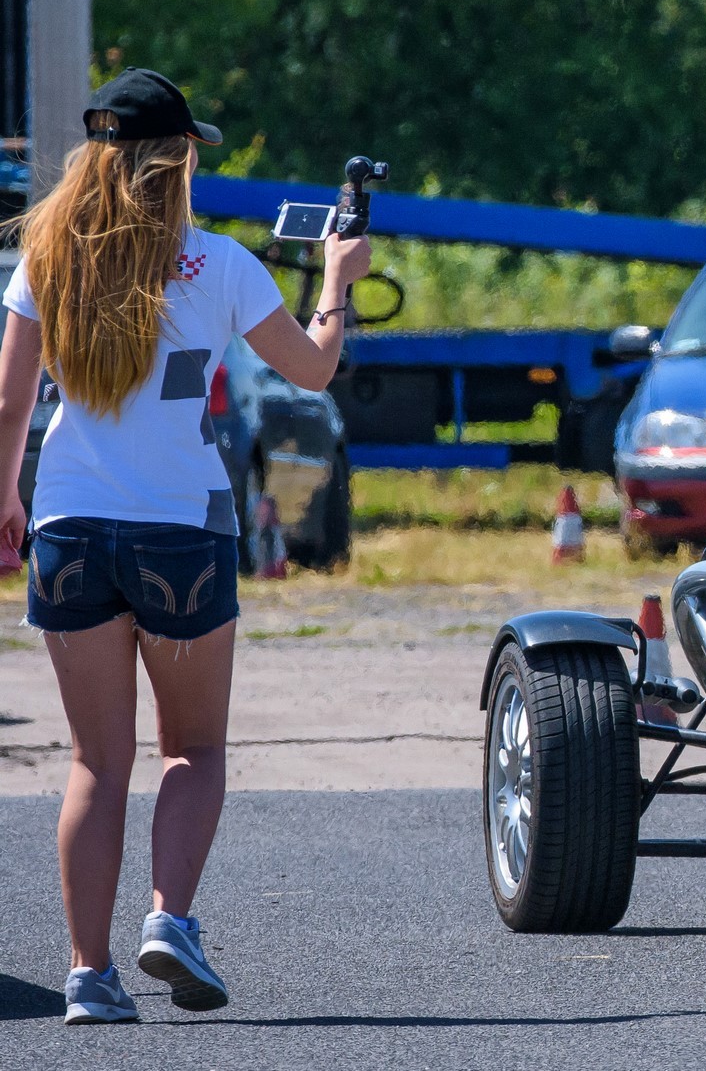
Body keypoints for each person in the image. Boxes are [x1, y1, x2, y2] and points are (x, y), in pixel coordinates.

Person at [0, 68, 371, 1023]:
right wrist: (336, 281)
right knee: (194, 749)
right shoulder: (221, 264)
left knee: (95, 763)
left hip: (69, 524)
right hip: (183, 529)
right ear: (180, 161)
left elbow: (9, 402)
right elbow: (313, 371)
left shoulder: (47, 257)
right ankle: (169, 920)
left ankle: (88, 976)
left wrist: (5, 497)